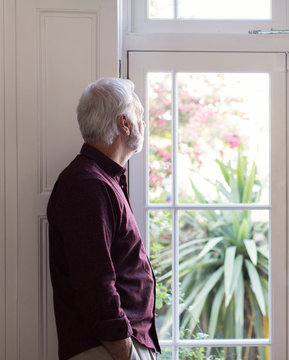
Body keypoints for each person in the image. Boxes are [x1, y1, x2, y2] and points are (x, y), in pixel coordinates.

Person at [47, 78, 161, 360]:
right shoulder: (88, 185)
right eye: (140, 116)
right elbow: (95, 284)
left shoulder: (100, 180)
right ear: (124, 123)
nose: (143, 124)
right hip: (107, 351)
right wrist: (125, 351)